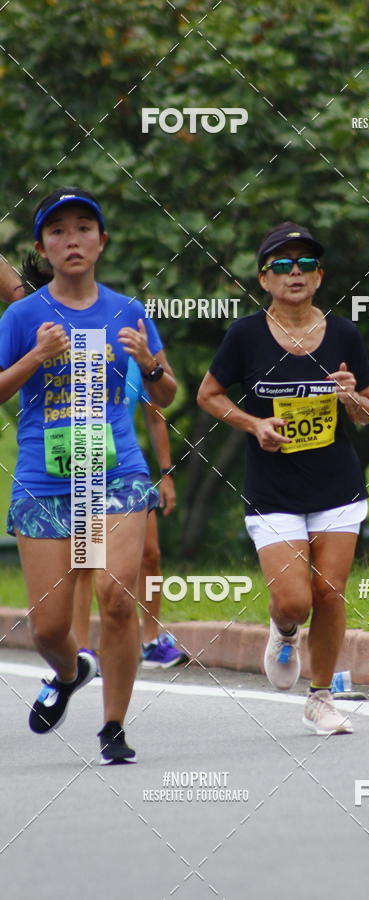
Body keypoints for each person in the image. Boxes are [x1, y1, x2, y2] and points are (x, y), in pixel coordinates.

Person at [0, 187, 177, 763]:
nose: (71, 240)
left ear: (101, 242)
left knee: (117, 598)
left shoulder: (128, 311)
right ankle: (73, 670)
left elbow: (167, 394)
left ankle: (115, 726)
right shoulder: (21, 316)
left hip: (114, 472)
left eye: (83, 228)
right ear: (41, 247)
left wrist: (149, 364)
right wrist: (33, 359)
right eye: (57, 232)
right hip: (45, 479)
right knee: (49, 629)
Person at [198, 223, 369, 735]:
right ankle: (283, 629)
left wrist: (350, 398)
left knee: (330, 590)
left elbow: (367, 413)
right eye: (281, 264)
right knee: (295, 599)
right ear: (264, 279)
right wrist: (254, 424)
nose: (293, 273)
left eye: (304, 264)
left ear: (319, 277)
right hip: (273, 488)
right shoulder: (245, 335)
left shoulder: (344, 333)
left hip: (336, 485)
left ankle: (320, 698)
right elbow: (208, 395)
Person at [73, 357, 187, 669]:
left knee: (150, 554)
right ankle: (81, 651)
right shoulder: (83, 355)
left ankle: (150, 641)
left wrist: (166, 473)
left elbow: (154, 417)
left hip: (129, 472)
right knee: (86, 558)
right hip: (84, 467)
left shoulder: (136, 360)